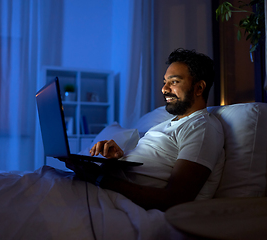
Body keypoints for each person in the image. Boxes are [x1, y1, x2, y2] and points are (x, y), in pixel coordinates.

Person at [65, 48, 224, 211]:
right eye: (165, 82)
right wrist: (117, 160)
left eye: (174, 82)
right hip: (101, 187)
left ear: (199, 88)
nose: (164, 89)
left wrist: (98, 178)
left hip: (111, 198)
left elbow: (175, 199)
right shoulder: (165, 124)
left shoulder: (202, 128)